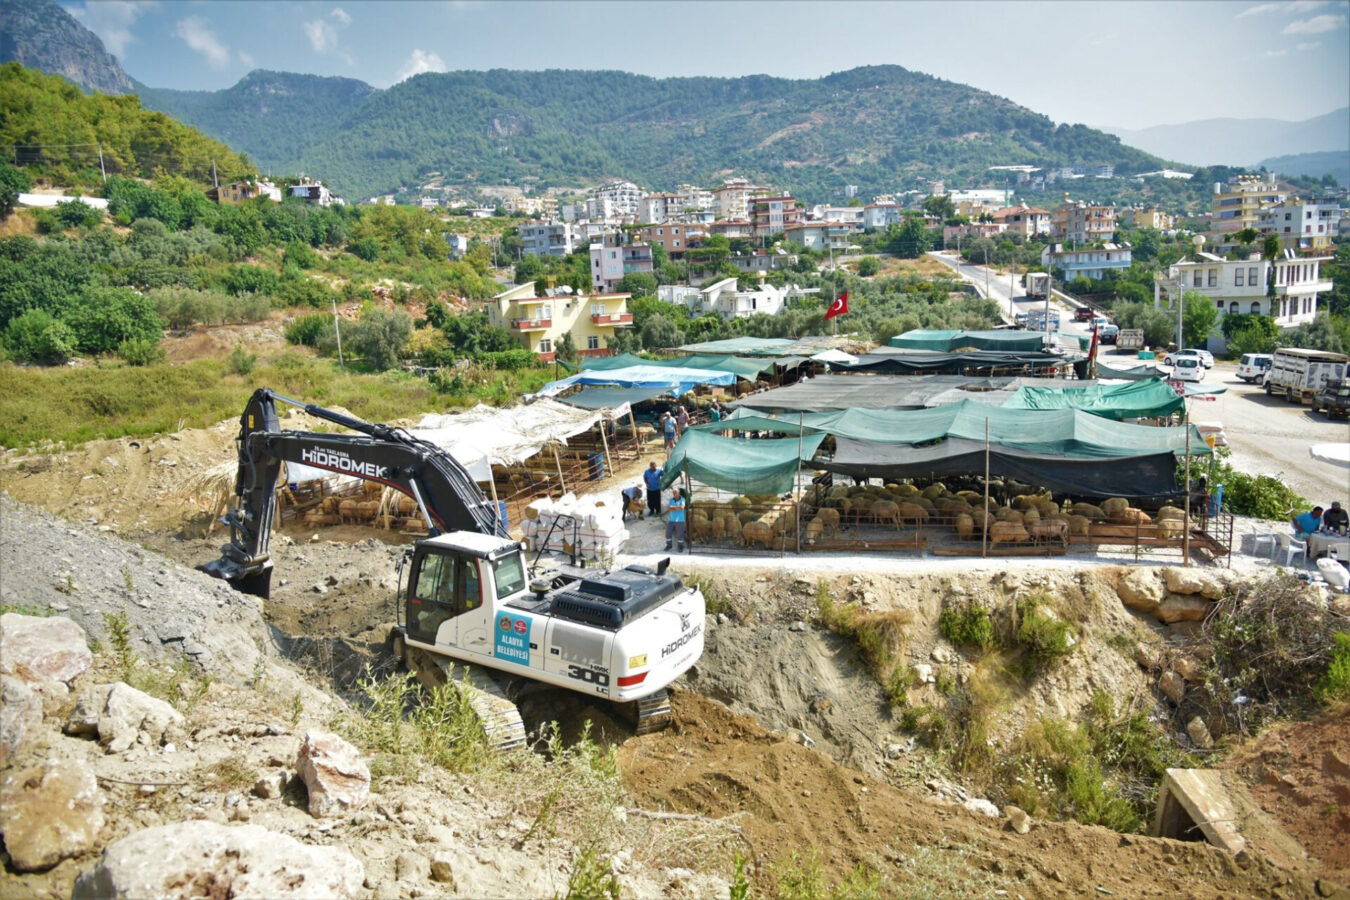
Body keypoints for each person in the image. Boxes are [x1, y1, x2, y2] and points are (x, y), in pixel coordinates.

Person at [665, 486, 686, 552]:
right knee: (668, 532)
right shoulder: (671, 499)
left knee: (680, 534)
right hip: (671, 520)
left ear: (679, 493)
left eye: (676, 493)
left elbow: (682, 507)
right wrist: (677, 508)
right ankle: (669, 545)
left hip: (680, 520)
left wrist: (673, 507)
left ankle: (680, 546)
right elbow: (668, 508)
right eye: (673, 493)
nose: (674, 494)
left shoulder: (682, 499)